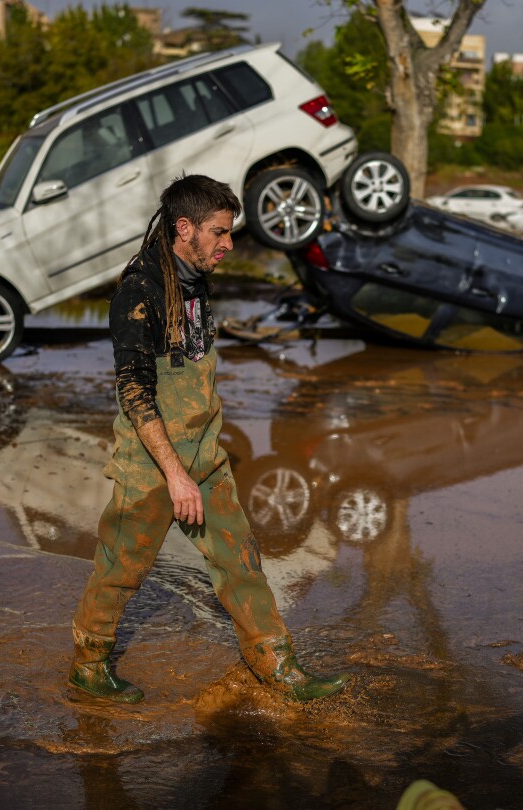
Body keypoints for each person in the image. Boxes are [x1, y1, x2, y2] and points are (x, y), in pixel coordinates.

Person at [69, 174, 349, 704]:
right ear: (184, 228)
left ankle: (277, 666)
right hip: (152, 465)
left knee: (239, 559)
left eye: (230, 232)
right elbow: (134, 392)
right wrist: (175, 476)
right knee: (120, 569)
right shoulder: (139, 291)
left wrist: (201, 463)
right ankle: (88, 665)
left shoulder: (196, 277)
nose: (229, 244)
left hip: (205, 456)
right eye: (220, 232)